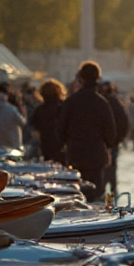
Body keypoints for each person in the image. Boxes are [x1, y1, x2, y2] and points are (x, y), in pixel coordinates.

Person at [56, 62, 116, 202]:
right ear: (98, 78)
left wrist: (67, 142)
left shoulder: (71, 101)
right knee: (96, 194)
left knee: (77, 194)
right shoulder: (102, 103)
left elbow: (60, 128)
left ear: (80, 78)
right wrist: (107, 146)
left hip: (76, 153)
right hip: (96, 155)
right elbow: (111, 133)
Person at [100, 80, 129, 196]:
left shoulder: (101, 102)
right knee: (112, 166)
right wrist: (120, 138)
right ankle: (112, 189)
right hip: (113, 141)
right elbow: (124, 122)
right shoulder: (116, 103)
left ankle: (104, 190)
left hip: (102, 141)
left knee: (103, 167)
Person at [31, 79, 67, 164]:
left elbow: (35, 129)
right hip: (61, 145)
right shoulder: (63, 107)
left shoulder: (39, 110)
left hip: (45, 144)